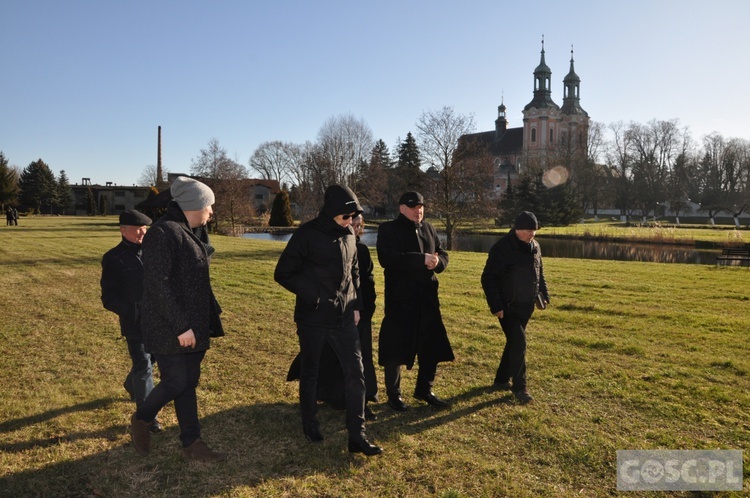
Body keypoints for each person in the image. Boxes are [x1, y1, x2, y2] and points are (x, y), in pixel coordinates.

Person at [274, 185, 382, 456]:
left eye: (353, 218)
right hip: (313, 318)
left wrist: (355, 303)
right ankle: (309, 423)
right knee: (311, 372)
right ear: (333, 212)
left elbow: (354, 270)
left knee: (356, 373)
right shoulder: (307, 235)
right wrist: (316, 297)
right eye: (346, 217)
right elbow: (283, 273)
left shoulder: (348, 235)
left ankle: (357, 435)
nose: (351, 223)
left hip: (344, 318)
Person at [130, 176, 226, 462]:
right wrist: (181, 326)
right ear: (194, 204)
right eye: (209, 205)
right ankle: (142, 418)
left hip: (193, 325)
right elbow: (158, 286)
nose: (211, 212)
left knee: (188, 382)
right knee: (175, 381)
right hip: (170, 326)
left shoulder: (186, 230)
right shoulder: (163, 233)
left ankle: (192, 443)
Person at [284, 214, 379, 421]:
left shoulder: (361, 251)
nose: (354, 228)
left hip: (358, 312)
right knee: (329, 358)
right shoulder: (323, 245)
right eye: (351, 223)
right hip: (331, 313)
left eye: (358, 225)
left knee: (359, 361)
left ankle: (361, 403)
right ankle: (330, 397)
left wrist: (363, 309)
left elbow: (366, 283)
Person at [376, 191, 454, 412]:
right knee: (395, 348)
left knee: (431, 346)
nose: (418, 211)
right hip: (401, 300)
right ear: (401, 208)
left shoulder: (428, 228)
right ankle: (394, 395)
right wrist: (421, 260)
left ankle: (424, 390)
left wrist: (438, 262)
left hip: (428, 298)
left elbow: (442, 253)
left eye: (421, 207)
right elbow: (387, 258)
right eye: (412, 207)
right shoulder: (388, 229)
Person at [101, 209, 161, 433]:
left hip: (159, 319)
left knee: (153, 358)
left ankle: (130, 384)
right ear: (123, 230)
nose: (142, 232)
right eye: (138, 229)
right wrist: (133, 312)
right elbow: (108, 298)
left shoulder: (152, 252)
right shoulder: (113, 258)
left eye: (145, 228)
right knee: (144, 366)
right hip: (135, 324)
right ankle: (147, 417)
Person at [480, 211, 549, 403]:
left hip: (527, 306)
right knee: (519, 341)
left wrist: (543, 294)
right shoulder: (502, 248)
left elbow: (539, 272)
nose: (532, 234)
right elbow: (488, 278)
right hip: (507, 307)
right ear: (517, 229)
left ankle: (501, 379)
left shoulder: (535, 246)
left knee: (514, 342)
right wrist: (496, 305)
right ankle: (520, 388)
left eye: (534, 230)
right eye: (528, 230)